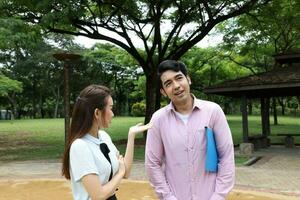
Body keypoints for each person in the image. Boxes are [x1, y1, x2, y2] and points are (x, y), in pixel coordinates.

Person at [145, 60, 235, 200]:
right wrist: (168, 197)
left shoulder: (213, 111)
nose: (176, 86)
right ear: (163, 92)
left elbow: (226, 156)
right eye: (168, 84)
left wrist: (218, 196)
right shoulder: (158, 119)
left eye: (179, 78)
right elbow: (152, 163)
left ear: (188, 79)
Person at [62, 84, 151, 200]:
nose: (113, 114)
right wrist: (120, 173)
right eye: (111, 108)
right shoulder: (80, 146)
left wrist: (131, 136)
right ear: (97, 113)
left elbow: (126, 172)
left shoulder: (103, 137)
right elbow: (99, 195)